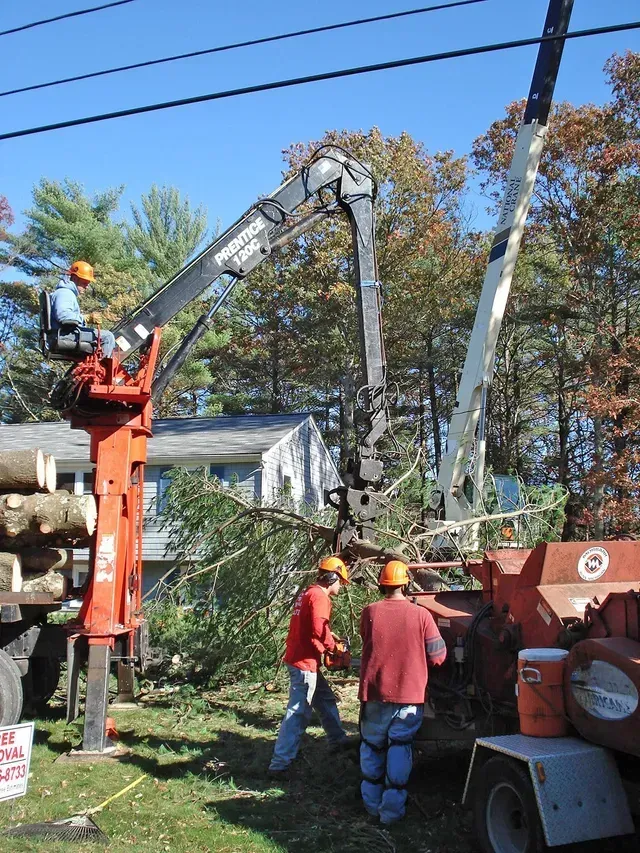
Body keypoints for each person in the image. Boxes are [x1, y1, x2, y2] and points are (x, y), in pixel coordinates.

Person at [358, 560, 446, 825]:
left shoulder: (369, 612)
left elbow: (367, 641)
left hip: (374, 691)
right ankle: (391, 813)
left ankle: (371, 806)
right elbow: (438, 655)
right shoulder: (421, 615)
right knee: (399, 746)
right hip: (409, 694)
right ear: (406, 583)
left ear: (381, 584)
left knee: (372, 746)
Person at [268, 556, 351, 774]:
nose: (341, 586)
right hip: (304, 664)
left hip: (301, 658)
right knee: (298, 712)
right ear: (332, 578)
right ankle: (280, 764)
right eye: (340, 581)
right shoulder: (321, 598)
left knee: (324, 699)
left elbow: (312, 629)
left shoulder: (308, 593)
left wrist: (324, 647)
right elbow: (318, 629)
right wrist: (332, 647)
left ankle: (338, 739)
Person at [50, 260, 116, 358]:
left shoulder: (64, 293)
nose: (87, 285)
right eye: (85, 281)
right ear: (75, 278)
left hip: (62, 333)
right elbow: (64, 316)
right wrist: (86, 318)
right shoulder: (65, 293)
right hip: (64, 335)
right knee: (108, 337)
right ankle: (103, 370)